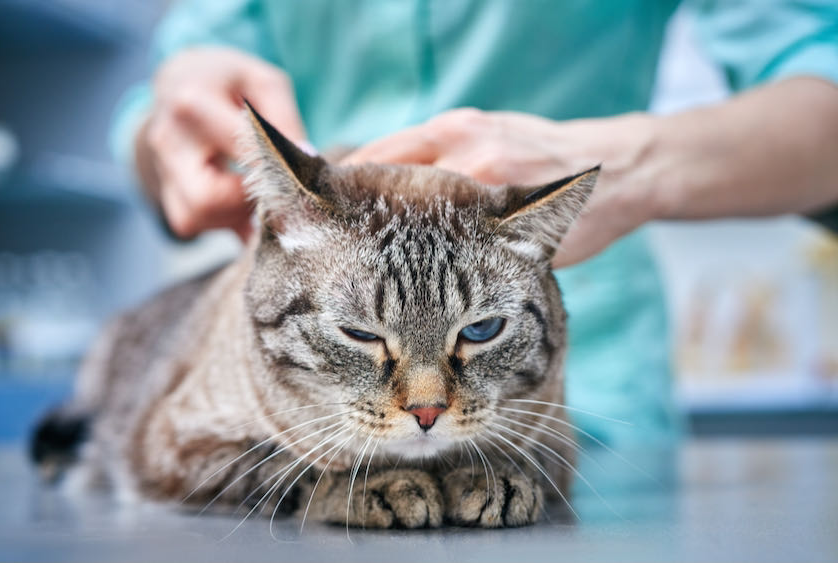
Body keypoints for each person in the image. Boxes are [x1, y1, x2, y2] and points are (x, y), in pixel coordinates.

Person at [110, 1, 838, 447]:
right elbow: (161, 111)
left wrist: (631, 163)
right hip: (309, 385)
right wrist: (168, 132)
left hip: (569, 384)